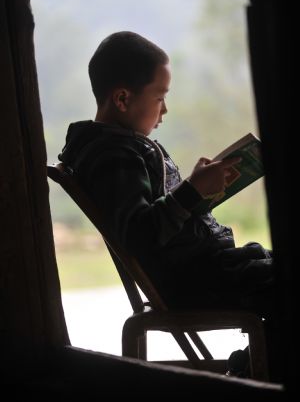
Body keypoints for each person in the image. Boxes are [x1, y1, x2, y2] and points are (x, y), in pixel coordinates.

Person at [58, 31, 279, 379]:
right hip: (196, 280)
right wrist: (191, 191)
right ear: (122, 98)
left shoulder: (123, 147)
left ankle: (255, 366)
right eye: (160, 97)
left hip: (212, 269)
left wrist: (200, 189)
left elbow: (161, 213)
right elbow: (139, 234)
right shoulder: (113, 156)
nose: (165, 109)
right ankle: (255, 372)